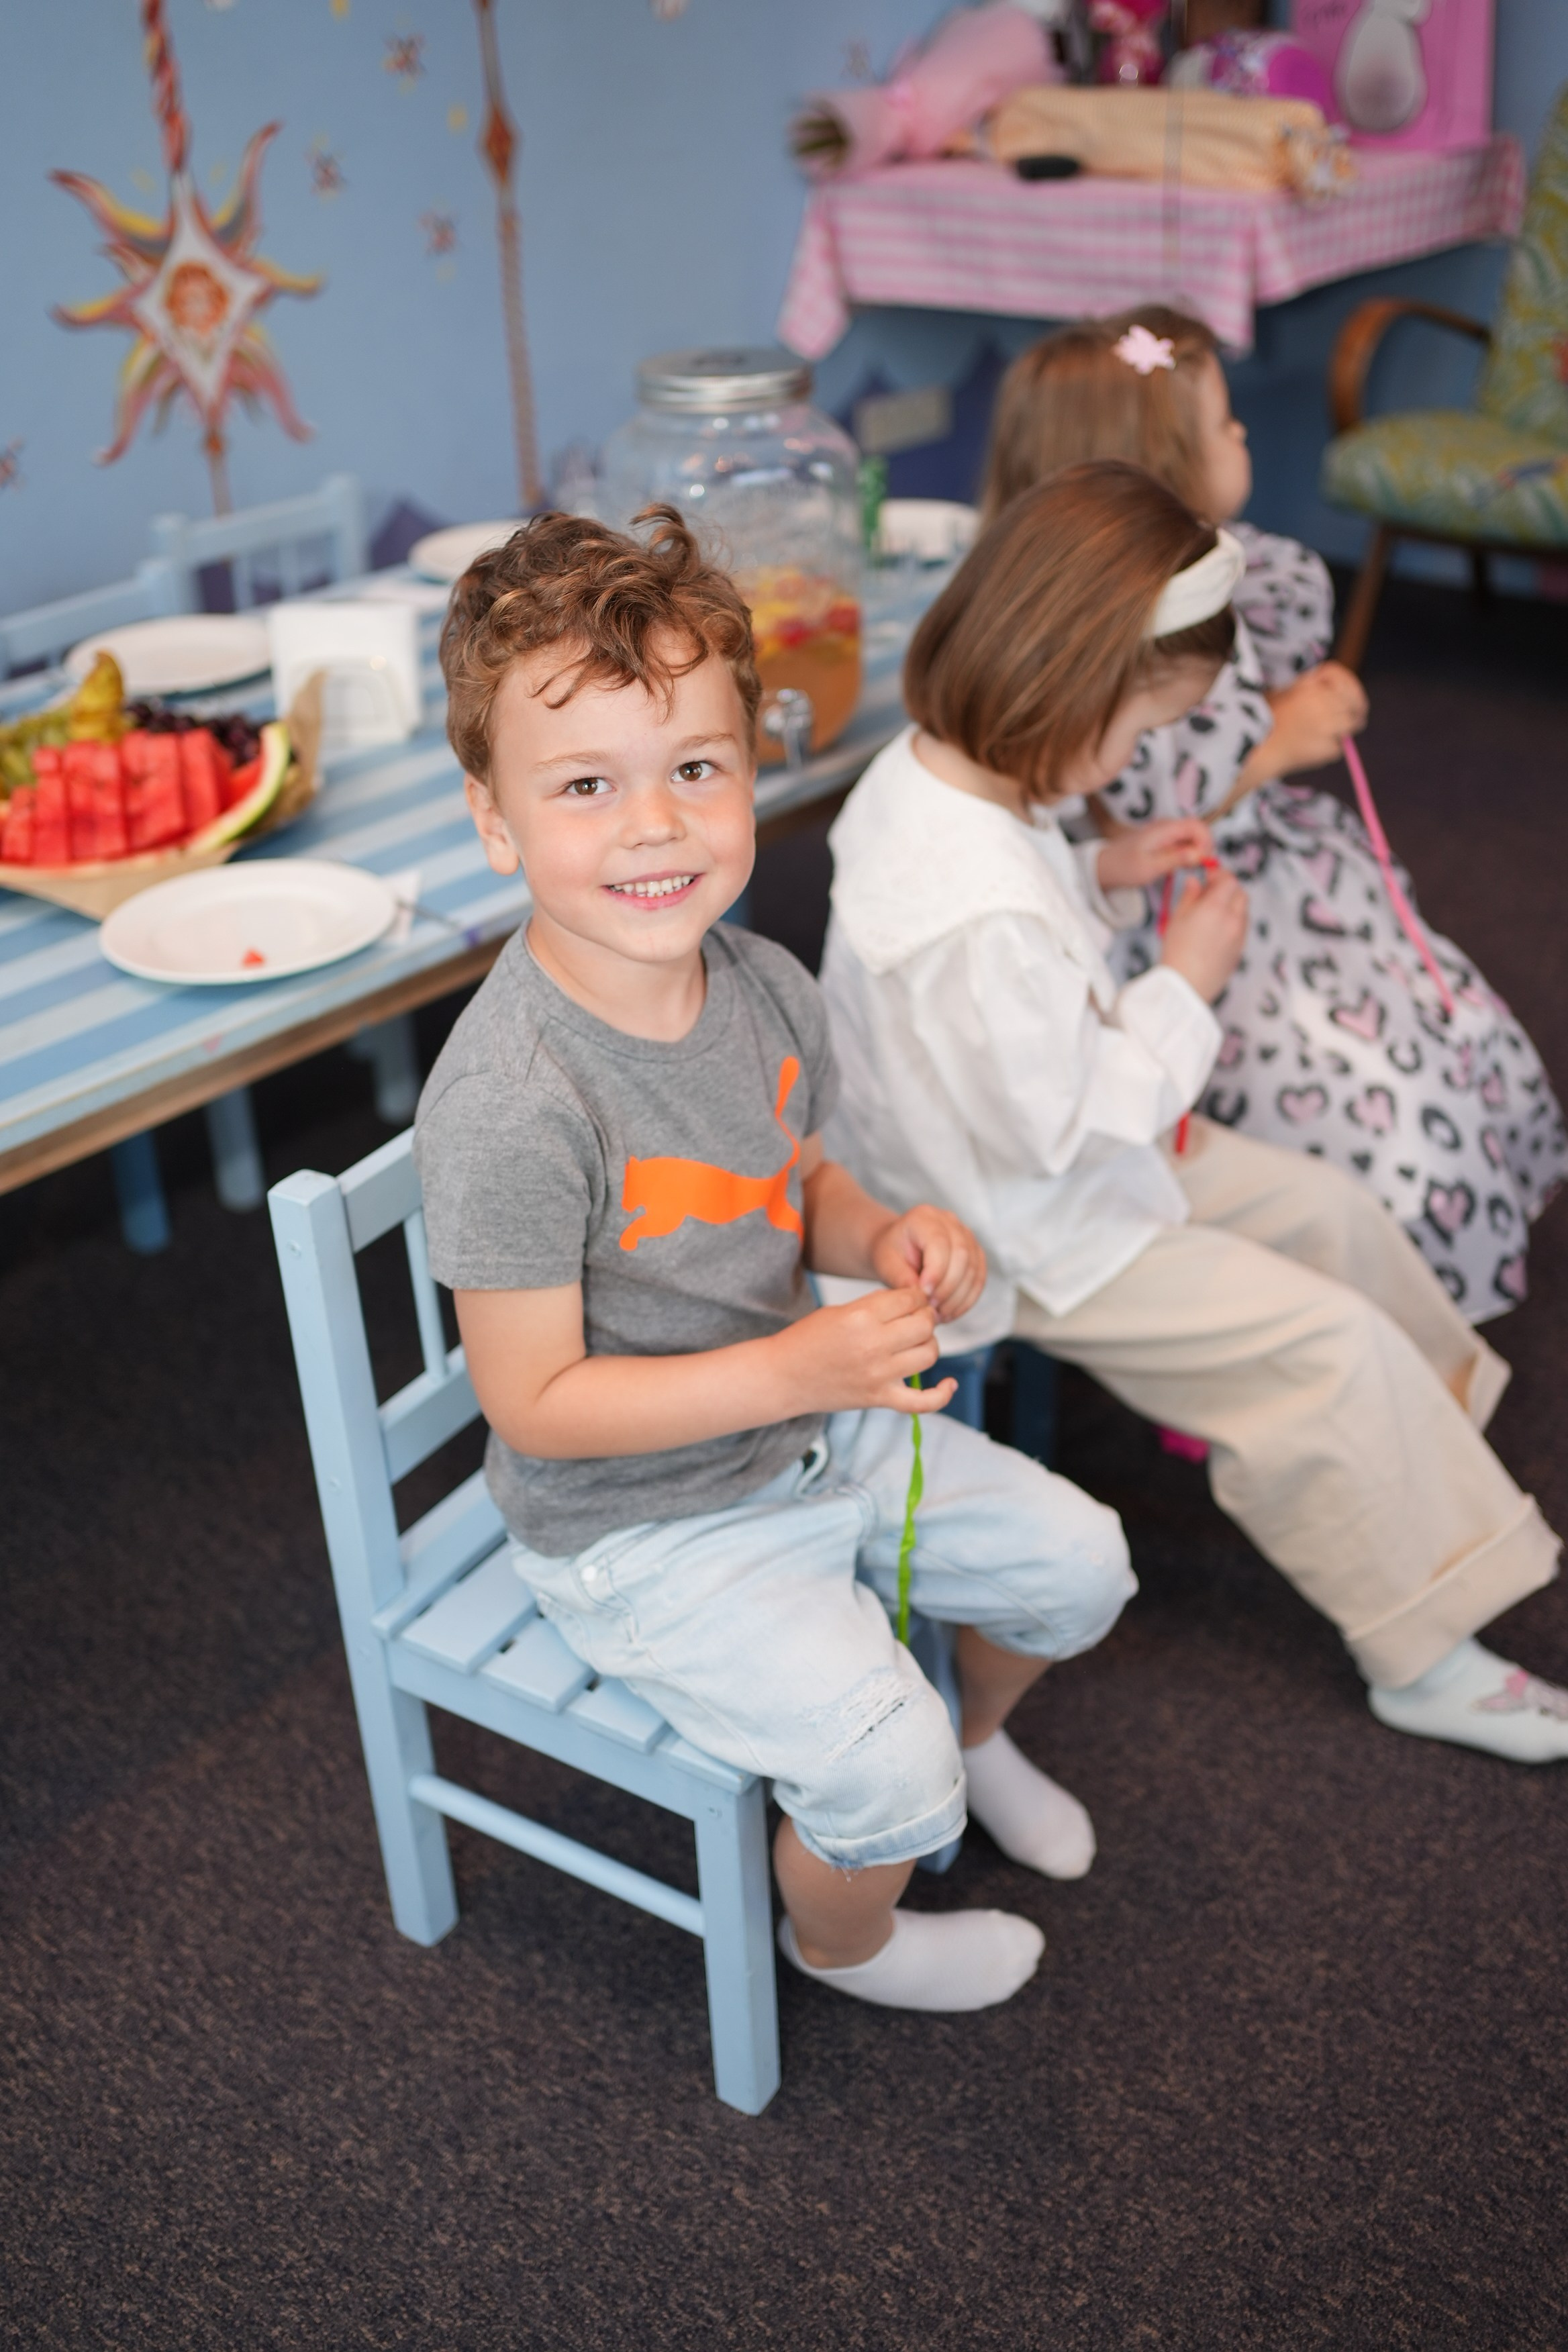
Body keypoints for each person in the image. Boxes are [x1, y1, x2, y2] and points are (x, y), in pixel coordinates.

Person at [413, 506, 1140, 2018]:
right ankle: (845, 1943)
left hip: (809, 1433)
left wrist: (878, 1235)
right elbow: (535, 1401)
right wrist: (802, 1363)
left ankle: (983, 1732)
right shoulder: (511, 1103)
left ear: (753, 770)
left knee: (1082, 1566)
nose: (655, 826)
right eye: (585, 788)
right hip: (637, 1528)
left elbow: (790, 1174)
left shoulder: (764, 983)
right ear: (495, 820)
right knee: (888, 1772)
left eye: (695, 768)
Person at [820, 460, 1568, 1763]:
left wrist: (1099, 871)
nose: (1136, 760)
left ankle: (1413, 1474)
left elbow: (1021, 979)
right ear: (1063, 690)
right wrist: (1186, 985)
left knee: (1334, 1216)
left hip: (1054, 1152)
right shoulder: (969, 904)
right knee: (1323, 1351)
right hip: (1018, 1223)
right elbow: (1067, 1117)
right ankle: (1418, 1642)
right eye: (1134, 730)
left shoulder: (945, 780)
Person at [979, 305, 1567, 1321]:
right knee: (1374, 1100)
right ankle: (1355, 1303)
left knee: (1449, 1027)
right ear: (1149, 470)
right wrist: (1279, 738)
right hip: (1182, 915)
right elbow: (1134, 802)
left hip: (1281, 883)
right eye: (1221, 424)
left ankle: (1413, 1280)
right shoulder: (1100, 646)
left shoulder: (1233, 578)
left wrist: (1284, 719)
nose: (1244, 436)